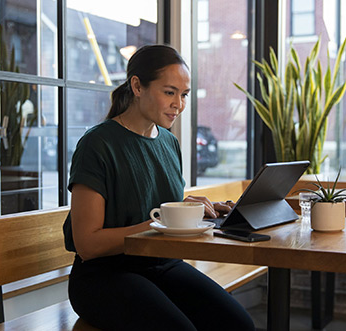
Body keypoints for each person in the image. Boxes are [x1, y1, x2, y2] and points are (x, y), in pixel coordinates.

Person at [63, 44, 255, 331]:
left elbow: (155, 211)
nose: (179, 104)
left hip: (160, 264)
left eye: (184, 94)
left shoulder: (168, 142)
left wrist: (191, 211)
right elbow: (88, 245)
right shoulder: (98, 145)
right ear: (137, 86)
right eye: (170, 92)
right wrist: (164, 222)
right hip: (103, 275)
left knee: (238, 325)